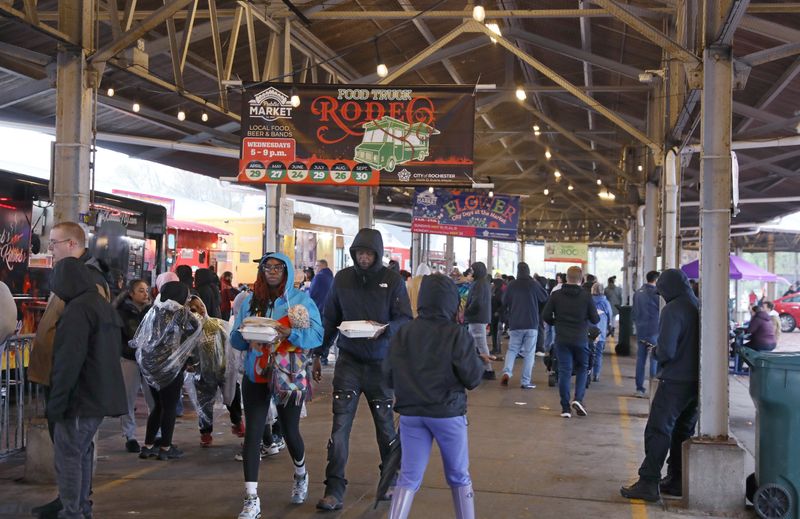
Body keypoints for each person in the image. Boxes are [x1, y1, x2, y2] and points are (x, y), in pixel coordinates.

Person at [312, 228, 413, 511]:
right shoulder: (342, 279)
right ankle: (334, 489)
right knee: (340, 426)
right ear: (353, 253)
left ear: (378, 254)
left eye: (369, 253)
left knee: (385, 427)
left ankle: (390, 482)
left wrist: (386, 330)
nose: (364, 257)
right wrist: (318, 354)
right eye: (359, 253)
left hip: (382, 364)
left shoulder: (392, 280)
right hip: (349, 361)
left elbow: (405, 318)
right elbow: (330, 318)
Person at [383, 274, 484, 519]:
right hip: (447, 413)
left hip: (411, 415)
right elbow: (472, 378)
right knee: (459, 475)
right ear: (451, 300)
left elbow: (387, 376)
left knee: (408, 477)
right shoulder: (457, 334)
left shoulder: (403, 332)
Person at [230, 252, 322, 517]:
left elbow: (316, 335)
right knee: (253, 434)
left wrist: (289, 332)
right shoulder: (249, 301)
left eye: (277, 268)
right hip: (255, 374)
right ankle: (251, 499)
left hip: (287, 375)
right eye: (267, 267)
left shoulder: (301, 301)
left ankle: (301, 474)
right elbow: (236, 340)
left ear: (287, 271)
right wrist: (245, 335)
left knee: (290, 431)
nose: (271, 271)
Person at [28, 222, 111, 519]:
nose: (50, 250)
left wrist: (63, 390)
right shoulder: (70, 279)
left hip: (72, 385)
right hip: (60, 378)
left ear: (73, 245)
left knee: (71, 451)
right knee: (71, 449)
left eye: (54, 243)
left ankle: (73, 506)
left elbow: (83, 343)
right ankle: (70, 501)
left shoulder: (85, 283)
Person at [46, 257, 127, 519]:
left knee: (69, 455)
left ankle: (73, 511)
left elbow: (69, 361)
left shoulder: (78, 310)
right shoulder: (101, 306)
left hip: (81, 397)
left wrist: (57, 402)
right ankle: (80, 508)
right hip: (99, 396)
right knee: (81, 452)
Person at [621, 268, 699, 501]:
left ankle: (648, 481)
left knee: (658, 429)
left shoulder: (673, 310)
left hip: (675, 380)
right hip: (696, 382)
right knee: (681, 431)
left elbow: (666, 351)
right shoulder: (697, 305)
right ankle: (676, 479)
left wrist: (654, 352)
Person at [134, 281, 201, 462]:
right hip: (170, 367)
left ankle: (147, 446)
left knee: (157, 406)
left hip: (149, 367)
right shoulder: (181, 313)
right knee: (169, 407)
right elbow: (197, 329)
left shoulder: (153, 310)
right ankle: (165, 447)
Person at [541, 266, 599, 418]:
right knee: (582, 368)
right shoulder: (586, 296)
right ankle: (578, 399)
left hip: (562, 339)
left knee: (564, 371)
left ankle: (565, 408)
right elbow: (595, 319)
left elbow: (545, 315)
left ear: (566, 278)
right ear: (581, 280)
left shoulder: (556, 295)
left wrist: (556, 322)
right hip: (580, 338)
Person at [187, 295, 244, 447]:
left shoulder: (217, 324)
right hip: (203, 374)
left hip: (223, 369)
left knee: (233, 395)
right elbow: (185, 352)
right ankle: (205, 432)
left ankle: (237, 422)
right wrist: (190, 363)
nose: (200, 310)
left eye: (200, 306)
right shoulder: (188, 332)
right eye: (193, 309)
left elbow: (230, 342)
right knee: (204, 403)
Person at [115, 278, 154, 453]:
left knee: (153, 399)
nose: (145, 293)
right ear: (131, 293)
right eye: (141, 290)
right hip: (129, 359)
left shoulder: (152, 311)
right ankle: (129, 436)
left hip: (148, 360)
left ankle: (156, 433)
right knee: (128, 399)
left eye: (146, 290)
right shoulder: (121, 311)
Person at [500, 262, 548, 389]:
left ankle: (506, 372)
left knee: (512, 349)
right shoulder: (533, 284)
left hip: (515, 322)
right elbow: (544, 297)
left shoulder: (511, 285)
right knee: (529, 353)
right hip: (531, 323)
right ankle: (525, 381)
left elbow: (504, 301)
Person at [632, 271, 661, 398]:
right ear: (656, 280)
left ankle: (639, 388)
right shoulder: (658, 294)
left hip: (641, 330)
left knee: (641, 360)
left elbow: (634, 312)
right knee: (654, 359)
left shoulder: (638, 293)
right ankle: (653, 390)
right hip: (654, 330)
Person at [465, 262, 494, 380]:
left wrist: (467, 311)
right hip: (479, 318)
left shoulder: (479, 284)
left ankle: (488, 370)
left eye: (472, 270)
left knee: (481, 344)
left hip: (476, 318)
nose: (471, 272)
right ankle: (477, 368)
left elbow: (477, 302)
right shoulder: (483, 282)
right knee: (472, 343)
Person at [591, 283, 613, 382]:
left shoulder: (589, 301)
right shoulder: (605, 303)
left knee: (588, 352)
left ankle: (587, 372)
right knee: (598, 354)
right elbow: (610, 318)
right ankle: (596, 375)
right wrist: (610, 327)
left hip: (589, 332)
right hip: (601, 333)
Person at [489, 277, 505, 355]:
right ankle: (495, 348)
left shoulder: (500, 292)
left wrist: (498, 312)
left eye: (494, 283)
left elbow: (503, 304)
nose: (493, 284)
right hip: (493, 315)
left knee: (497, 333)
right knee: (494, 332)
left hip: (498, 316)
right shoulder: (495, 291)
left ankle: (497, 349)